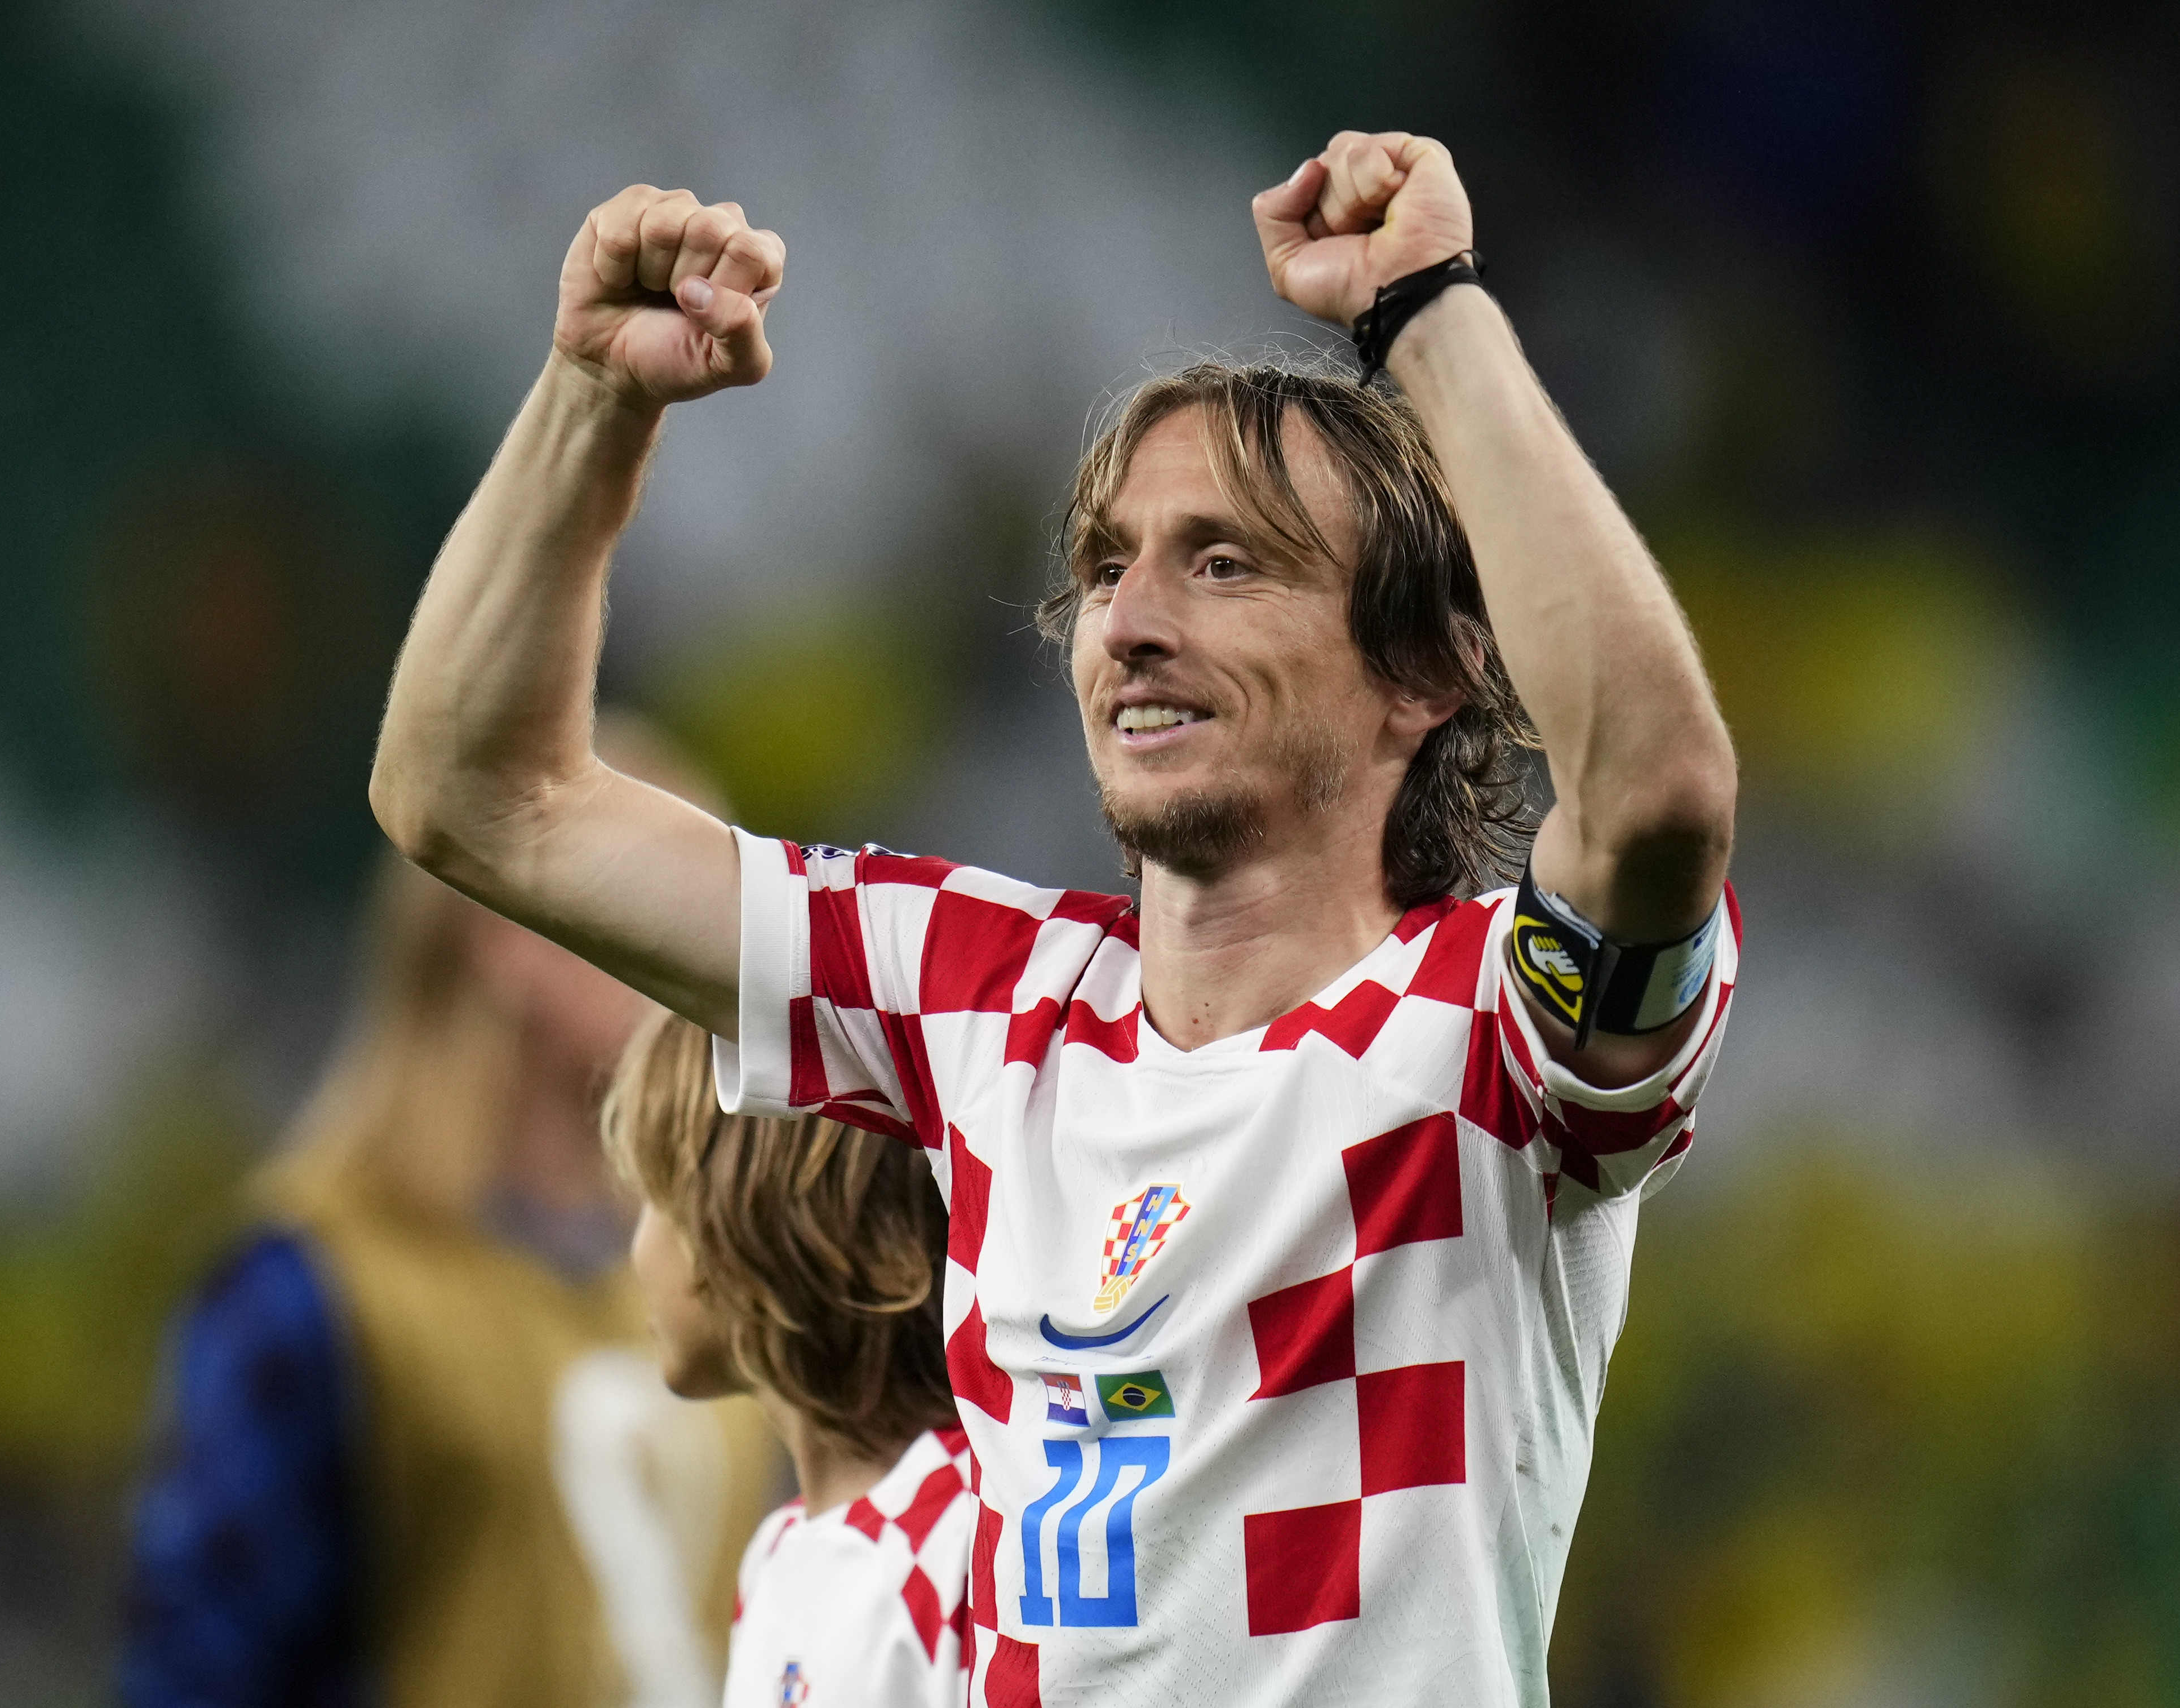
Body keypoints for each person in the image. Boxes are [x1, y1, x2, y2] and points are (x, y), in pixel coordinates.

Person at [367, 129, 1741, 1705]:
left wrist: (1425, 309)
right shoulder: (980, 996)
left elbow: (1656, 795)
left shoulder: (1486, 1037)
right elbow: (474, 798)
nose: (1132, 623)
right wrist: (592, 404)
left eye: (1223, 564)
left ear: (1422, 673)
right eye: (1105, 568)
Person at [121, 796, 782, 1708]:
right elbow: (206, 1664)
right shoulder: (312, 1285)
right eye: (658, 900)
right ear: (516, 944)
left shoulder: (717, 1267)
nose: (710, 947)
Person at [601, 1009, 975, 1708]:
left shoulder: (968, 1539)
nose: (634, 1255)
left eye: (656, 1198)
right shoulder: (775, 1559)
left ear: (743, 1219)